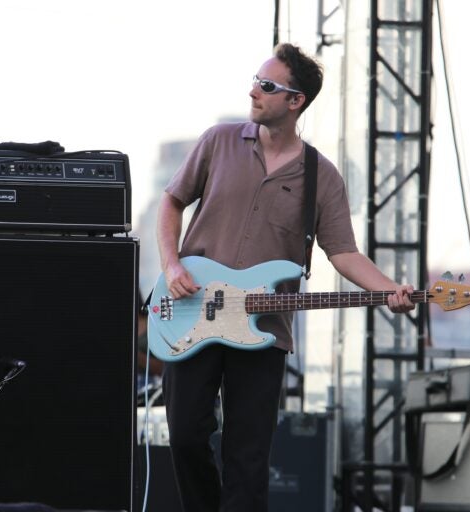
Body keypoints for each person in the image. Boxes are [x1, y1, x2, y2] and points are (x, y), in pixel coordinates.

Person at [156, 43, 415, 512]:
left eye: (267, 86)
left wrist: (389, 290)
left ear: (294, 101)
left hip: (264, 332)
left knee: (248, 461)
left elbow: (345, 253)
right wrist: (172, 265)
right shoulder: (218, 141)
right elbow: (171, 202)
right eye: (257, 80)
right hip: (191, 312)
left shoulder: (323, 176)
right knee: (186, 435)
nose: (253, 91)